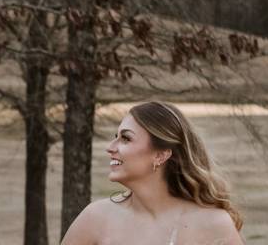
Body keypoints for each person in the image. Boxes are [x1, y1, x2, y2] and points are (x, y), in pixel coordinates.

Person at [62, 101, 243, 245]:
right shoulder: (96, 218)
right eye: (114, 137)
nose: (110, 148)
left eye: (125, 138)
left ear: (160, 155)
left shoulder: (213, 224)